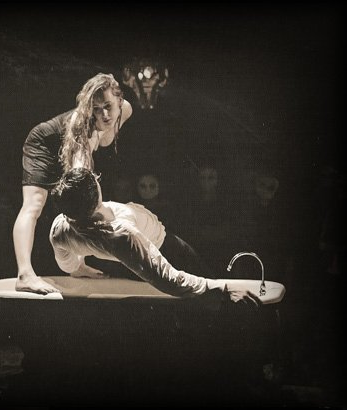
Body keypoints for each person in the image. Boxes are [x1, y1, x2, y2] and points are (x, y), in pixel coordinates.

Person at [48, 168, 261, 306]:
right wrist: (223, 289)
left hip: (132, 263)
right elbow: (170, 279)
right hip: (168, 251)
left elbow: (67, 264)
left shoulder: (60, 229)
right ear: (96, 191)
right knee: (206, 302)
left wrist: (80, 268)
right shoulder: (121, 235)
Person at [13, 73, 133, 294]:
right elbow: (82, 181)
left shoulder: (126, 110)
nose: (104, 114)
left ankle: (77, 266)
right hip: (44, 143)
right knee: (34, 204)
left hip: (71, 145)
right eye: (96, 109)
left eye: (108, 106)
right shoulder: (83, 128)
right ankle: (24, 275)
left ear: (119, 100)